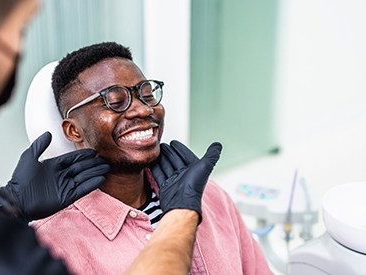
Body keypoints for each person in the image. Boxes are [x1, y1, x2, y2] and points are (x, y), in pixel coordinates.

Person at [0, 1, 221, 274]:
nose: (141, 109)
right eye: (18, 32)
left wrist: (7, 204)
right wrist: (180, 214)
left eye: (145, 93)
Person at [29, 42, 273, 275]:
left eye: (147, 95)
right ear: (73, 131)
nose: (143, 109)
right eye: (115, 101)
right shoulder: (51, 245)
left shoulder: (208, 196)